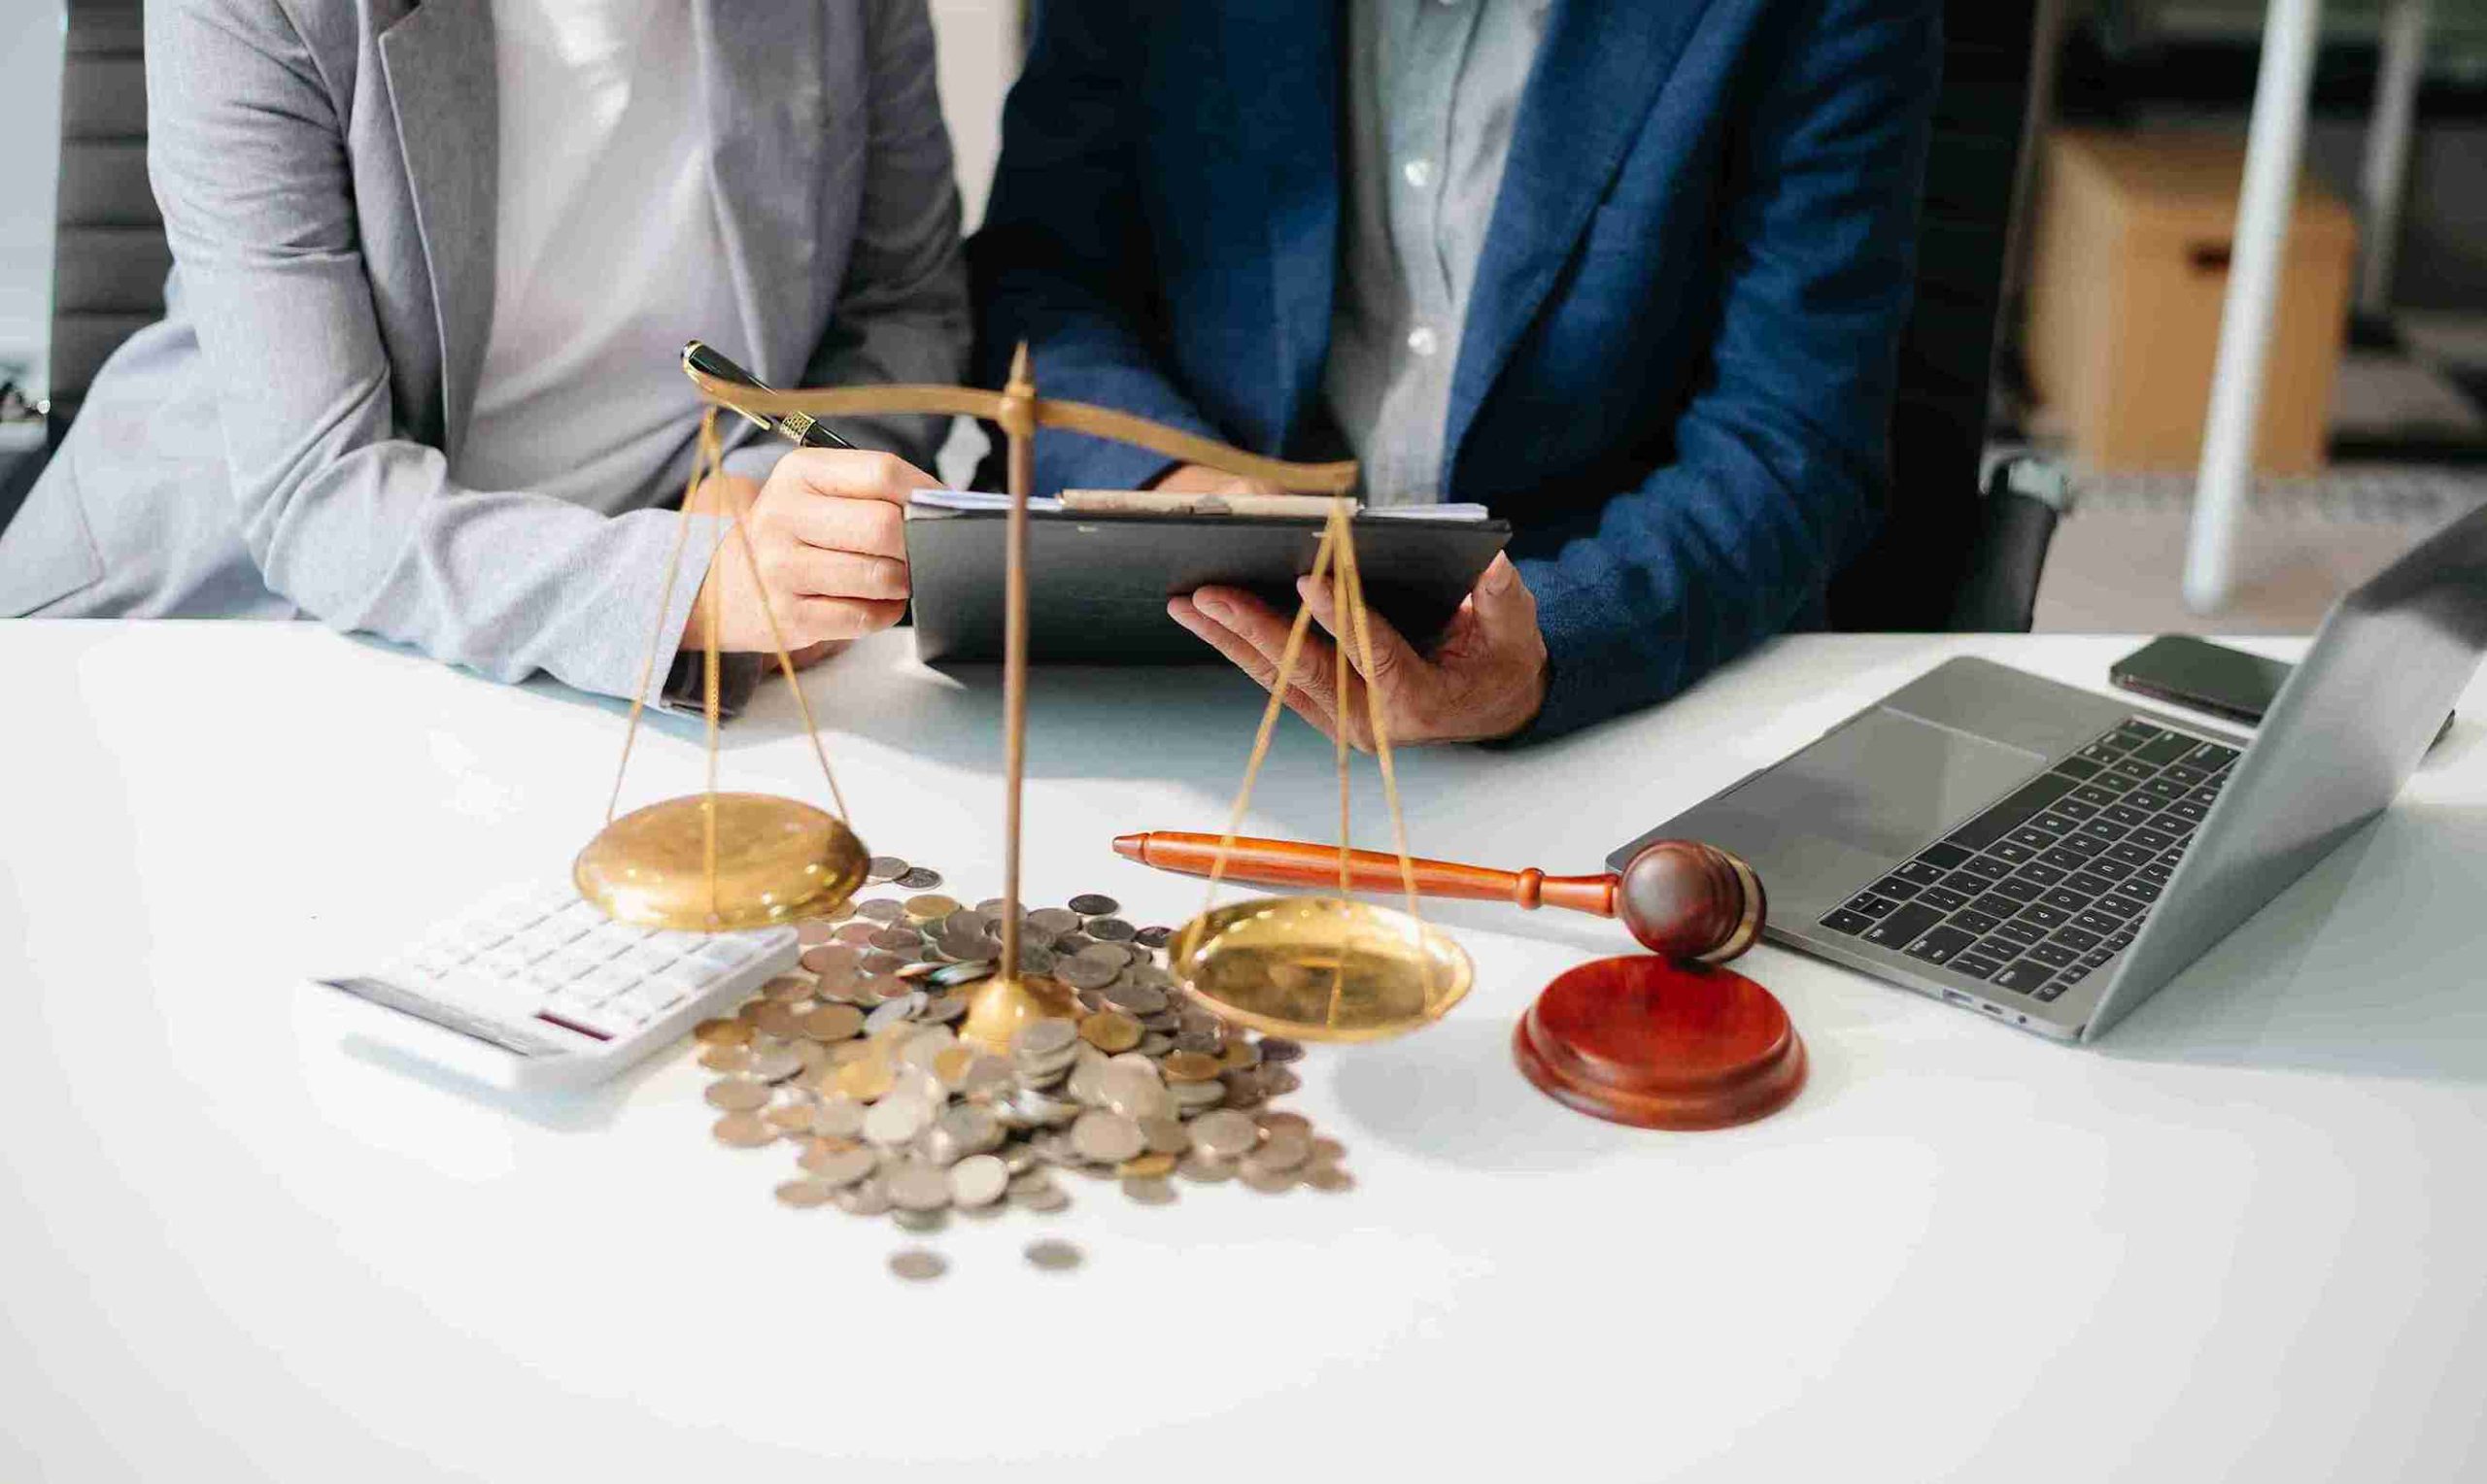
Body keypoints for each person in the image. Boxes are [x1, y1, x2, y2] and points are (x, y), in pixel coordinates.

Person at [970, 0, 1940, 742]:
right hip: (1185, 660)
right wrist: (1180, 486)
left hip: (1602, 682)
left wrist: (1551, 644)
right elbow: (1043, 277)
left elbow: (1791, 439)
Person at [0, 0, 968, 709]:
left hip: (626, 670)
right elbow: (319, 493)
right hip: (234, 631)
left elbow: (899, 302)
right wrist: (682, 586)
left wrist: (748, 483)